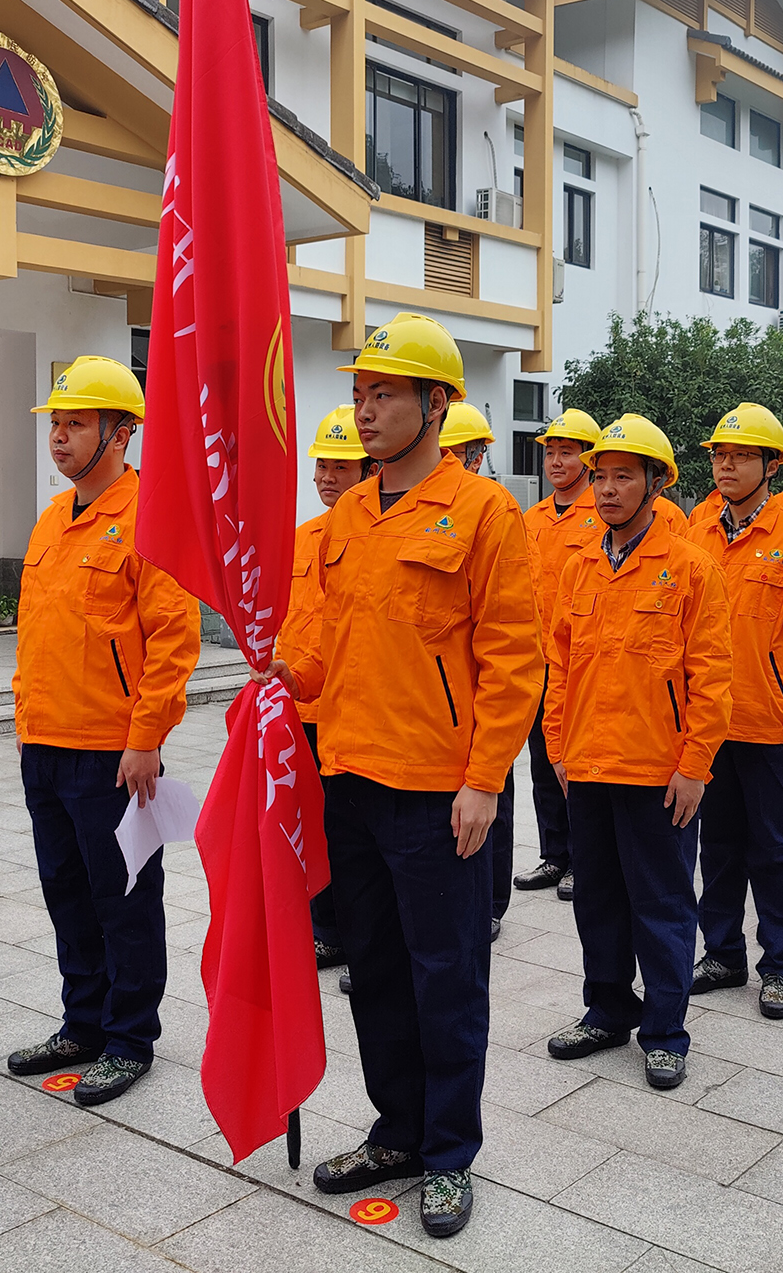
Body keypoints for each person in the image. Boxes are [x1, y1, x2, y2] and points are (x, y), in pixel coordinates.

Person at [272, 313, 541, 1239]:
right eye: (358, 393)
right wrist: (281, 673)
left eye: (383, 394)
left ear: (436, 404)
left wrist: (485, 779)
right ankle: (395, 1130)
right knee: (376, 971)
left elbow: (514, 658)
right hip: (349, 774)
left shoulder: (485, 513)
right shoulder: (345, 517)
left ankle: (450, 1153)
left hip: (439, 792)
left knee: (447, 974)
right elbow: (318, 639)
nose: (365, 410)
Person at [6, 355, 203, 1107]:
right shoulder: (54, 519)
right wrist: (24, 721)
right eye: (56, 423)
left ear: (121, 433)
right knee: (65, 890)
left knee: (122, 893)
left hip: (115, 753)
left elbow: (173, 638)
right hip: (46, 744)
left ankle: (129, 1037)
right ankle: (80, 1022)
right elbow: (36, 633)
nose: (59, 438)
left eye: (76, 423)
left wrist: (147, 736)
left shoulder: (154, 517)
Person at [543, 414, 730, 1091]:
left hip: (658, 771)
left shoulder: (689, 568)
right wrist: (558, 748)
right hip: (589, 765)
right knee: (596, 900)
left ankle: (666, 1030)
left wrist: (694, 767)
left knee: (663, 903)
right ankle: (606, 1011)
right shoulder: (579, 565)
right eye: (601, 475)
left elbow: (713, 677)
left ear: (657, 483)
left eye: (625, 475)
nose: (609, 488)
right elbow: (559, 666)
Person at [686, 404, 783, 1018]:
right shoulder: (697, 528)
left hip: (769, 722)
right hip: (707, 724)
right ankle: (723, 954)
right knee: (716, 846)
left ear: (772, 465)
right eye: (720, 455)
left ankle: (779, 965)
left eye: (742, 455)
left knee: (778, 847)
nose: (726, 465)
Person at [277, 406, 373, 979]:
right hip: (299, 706)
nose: (326, 477)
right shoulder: (300, 539)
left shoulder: (371, 537)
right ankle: (324, 931)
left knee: (349, 834)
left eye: (339, 466)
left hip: (350, 710)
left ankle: (358, 936)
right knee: (307, 829)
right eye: (320, 466)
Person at [516, 408, 605, 901]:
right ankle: (554, 854)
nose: (555, 461)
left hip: (582, 659)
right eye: (550, 452)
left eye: (566, 452)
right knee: (542, 760)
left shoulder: (604, 515)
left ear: (587, 461)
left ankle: (583, 859)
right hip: (538, 659)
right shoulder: (533, 517)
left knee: (579, 766)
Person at [439, 399, 520, 933]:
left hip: (483, 699)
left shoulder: (495, 509)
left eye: (468, 452)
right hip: (439, 711)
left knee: (497, 802)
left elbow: (510, 633)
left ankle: (491, 902)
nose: (461, 460)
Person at [440, 400, 497, 476]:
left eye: (450, 455)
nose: (440, 463)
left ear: (476, 460)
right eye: (438, 455)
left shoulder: (489, 488)